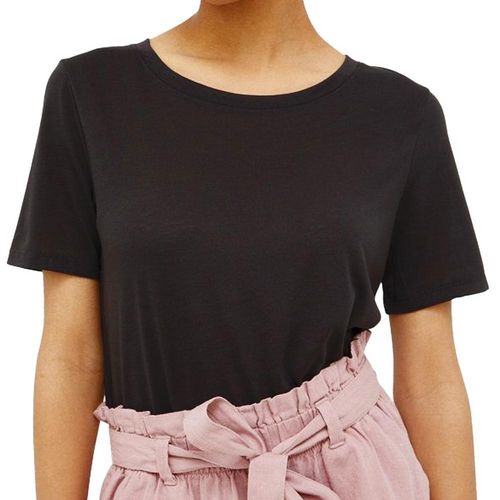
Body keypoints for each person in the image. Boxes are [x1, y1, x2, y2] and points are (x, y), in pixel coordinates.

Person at [6, 0, 489, 499]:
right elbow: (72, 354)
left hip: (349, 472)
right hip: (164, 479)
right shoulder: (91, 93)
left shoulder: (400, 114)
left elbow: (430, 374)